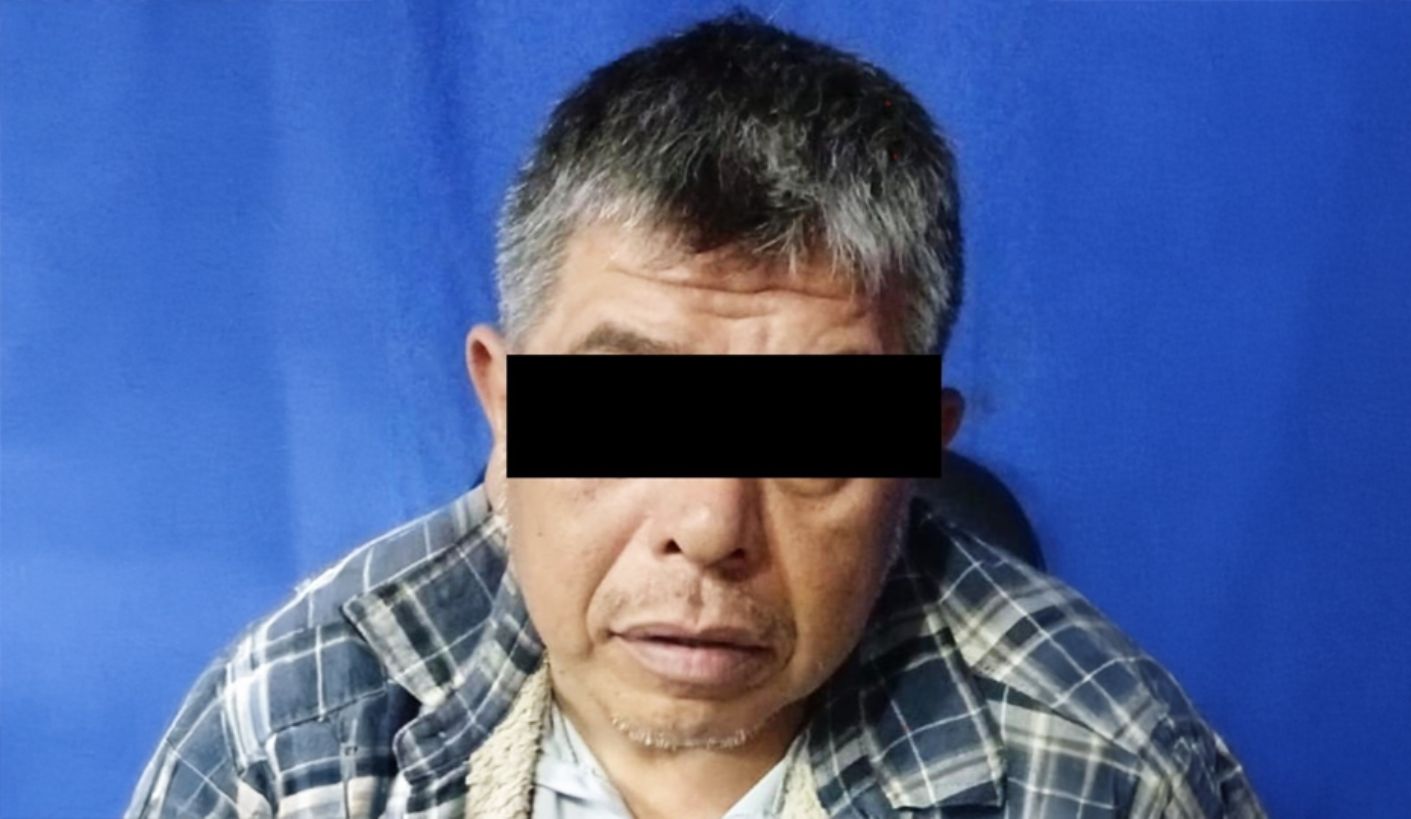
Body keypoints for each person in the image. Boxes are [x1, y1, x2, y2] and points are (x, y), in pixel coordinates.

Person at [127, 13, 1264, 819]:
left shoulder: (1105, 774)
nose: (711, 524)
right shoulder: (291, 737)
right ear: (504, 402)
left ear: (919, 449)